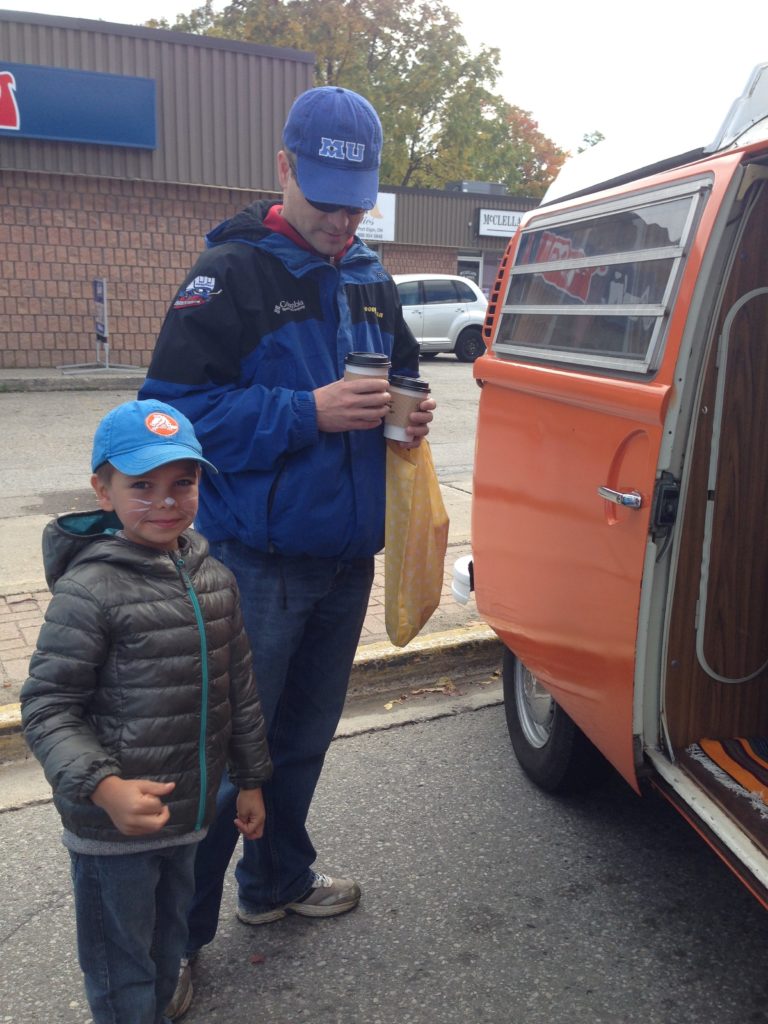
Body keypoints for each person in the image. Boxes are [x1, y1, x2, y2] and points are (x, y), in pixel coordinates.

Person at [139, 83, 435, 997]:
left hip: (346, 560)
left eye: (356, 207)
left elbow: (410, 378)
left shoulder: (372, 278)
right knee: (227, 760)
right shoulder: (227, 274)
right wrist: (305, 412)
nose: (341, 225)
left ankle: (275, 883)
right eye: (324, 203)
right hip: (255, 568)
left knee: (302, 741)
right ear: (282, 170)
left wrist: (409, 415)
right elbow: (169, 419)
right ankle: (173, 945)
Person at [20, 399, 272, 1024]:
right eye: (142, 486)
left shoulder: (213, 577)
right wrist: (103, 788)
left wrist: (251, 782)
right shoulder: (90, 590)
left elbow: (238, 687)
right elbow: (48, 706)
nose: (166, 501)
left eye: (182, 482)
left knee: (166, 952)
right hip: (111, 830)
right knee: (120, 967)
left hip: (186, 817)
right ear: (101, 491)